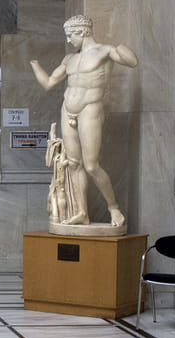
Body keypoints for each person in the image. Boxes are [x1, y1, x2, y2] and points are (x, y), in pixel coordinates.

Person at [30, 15, 137, 227]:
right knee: (74, 164)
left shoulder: (104, 51)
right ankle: (81, 212)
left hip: (90, 108)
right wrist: (35, 65)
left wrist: (118, 46)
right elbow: (49, 83)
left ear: (83, 31)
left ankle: (113, 208)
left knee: (91, 165)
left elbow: (132, 62)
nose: (69, 40)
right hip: (67, 109)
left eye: (71, 35)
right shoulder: (69, 59)